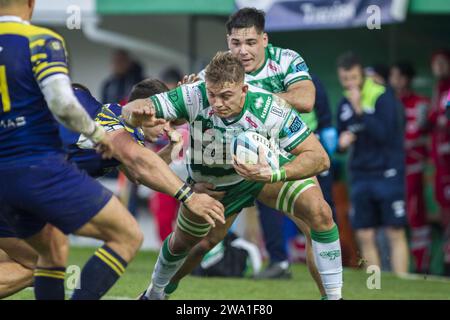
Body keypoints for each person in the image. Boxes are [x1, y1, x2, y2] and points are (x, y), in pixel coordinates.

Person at [126, 51, 343, 300]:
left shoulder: (271, 107)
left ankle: (334, 297)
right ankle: (155, 293)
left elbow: (320, 158)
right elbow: (132, 109)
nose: (217, 103)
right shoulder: (192, 94)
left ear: (244, 90)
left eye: (226, 96)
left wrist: (275, 173)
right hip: (215, 186)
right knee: (184, 245)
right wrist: (135, 111)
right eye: (212, 94)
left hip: (263, 173)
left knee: (321, 212)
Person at [0, 79, 225, 298]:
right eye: (163, 118)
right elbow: (138, 161)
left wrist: (171, 147)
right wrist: (190, 197)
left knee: (33, 260)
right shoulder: (115, 122)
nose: (166, 127)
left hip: (17, 182)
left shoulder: (114, 121)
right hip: (24, 180)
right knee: (123, 236)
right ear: (145, 109)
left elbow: (138, 173)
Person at [0, 0, 147, 300]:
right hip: (36, 167)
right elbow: (64, 105)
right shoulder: (41, 41)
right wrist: (97, 134)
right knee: (127, 235)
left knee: (51, 250)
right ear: (31, 4)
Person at [196, 7, 325, 295]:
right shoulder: (219, 71)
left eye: (250, 43)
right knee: (204, 238)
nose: (242, 51)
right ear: (228, 41)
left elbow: (306, 99)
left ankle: (329, 293)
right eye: (235, 43)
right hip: (234, 162)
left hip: (287, 157)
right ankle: (160, 288)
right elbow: (193, 107)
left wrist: (252, 100)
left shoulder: (286, 60)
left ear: (264, 40)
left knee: (317, 225)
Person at [336, 51, 409, 274]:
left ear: (362, 75)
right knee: (364, 234)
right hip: (360, 175)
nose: (350, 84)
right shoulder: (343, 102)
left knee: (394, 231)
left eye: (354, 78)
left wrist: (361, 111)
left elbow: (385, 134)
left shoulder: (383, 95)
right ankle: (376, 287)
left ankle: (402, 283)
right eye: (345, 79)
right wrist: (342, 143)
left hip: (387, 172)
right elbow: (339, 140)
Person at [390, 61, 431, 273]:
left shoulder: (422, 103)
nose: (392, 81)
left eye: (395, 76)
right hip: (392, 172)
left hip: (413, 170)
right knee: (394, 221)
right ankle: (395, 269)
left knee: (416, 218)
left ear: (405, 79)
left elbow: (419, 136)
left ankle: (422, 267)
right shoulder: (389, 103)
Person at [428, 50, 450, 275]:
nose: (438, 67)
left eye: (442, 63)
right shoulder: (438, 89)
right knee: (444, 210)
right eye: (435, 63)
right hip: (441, 165)